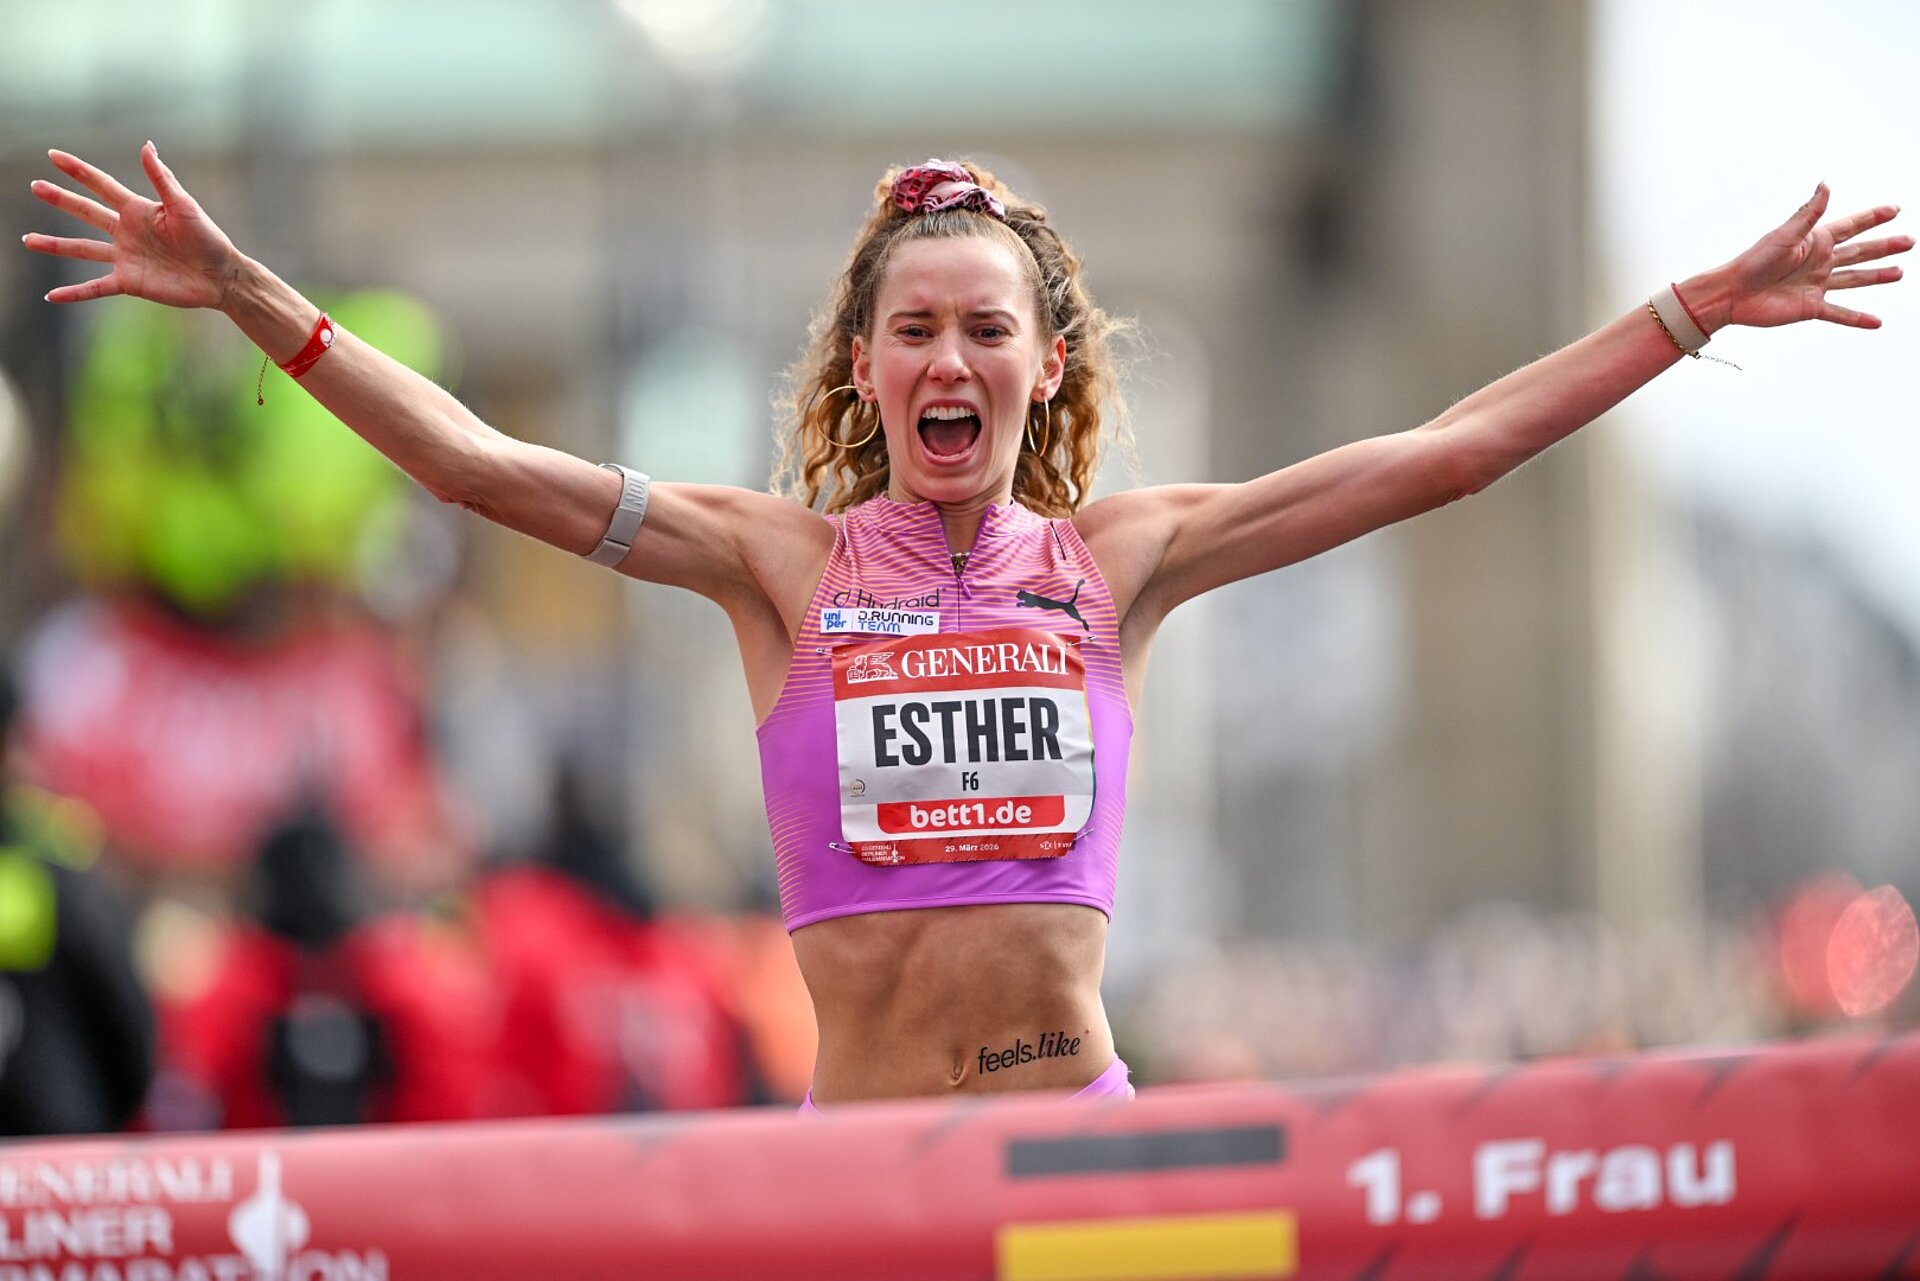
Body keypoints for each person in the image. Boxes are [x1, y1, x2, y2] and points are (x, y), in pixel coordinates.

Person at [24, 145, 1907, 1110]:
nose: (950, 356)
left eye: (986, 327)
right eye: (915, 326)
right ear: (866, 368)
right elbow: (486, 467)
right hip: (859, 1164)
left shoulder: (1122, 559)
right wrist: (253, 297)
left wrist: (1689, 309)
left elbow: (1441, 454)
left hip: (1086, 1136)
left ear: (1042, 365)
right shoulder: (776, 563)